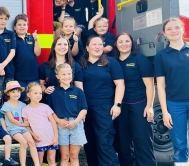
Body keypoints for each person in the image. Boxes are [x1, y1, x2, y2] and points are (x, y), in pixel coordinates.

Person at [112, 32, 156, 166]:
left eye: (127, 41)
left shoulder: (140, 59)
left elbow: (150, 85)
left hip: (140, 105)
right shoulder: (113, 61)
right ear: (116, 44)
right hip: (121, 107)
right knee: (124, 144)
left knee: (142, 142)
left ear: (132, 43)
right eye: (120, 41)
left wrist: (149, 106)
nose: (124, 44)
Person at [80, 36, 125, 166]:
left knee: (104, 142)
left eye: (100, 44)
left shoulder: (111, 62)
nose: (98, 47)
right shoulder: (81, 64)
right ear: (87, 48)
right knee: (90, 143)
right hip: (86, 109)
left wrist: (117, 104)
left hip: (105, 108)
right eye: (94, 44)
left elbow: (120, 85)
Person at [154, 18, 189, 164]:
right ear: (165, 34)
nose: (173, 31)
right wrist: (165, 111)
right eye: (169, 29)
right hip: (175, 105)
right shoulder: (161, 56)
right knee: (180, 145)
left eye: (176, 27)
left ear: (183, 29)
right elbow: (160, 86)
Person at [47, 63, 87, 166]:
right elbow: (49, 111)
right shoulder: (53, 92)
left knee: (74, 155)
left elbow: (84, 109)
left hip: (76, 124)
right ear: (57, 76)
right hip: (60, 125)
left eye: (69, 74)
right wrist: (59, 121)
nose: (67, 76)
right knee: (64, 156)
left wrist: (75, 121)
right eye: (63, 74)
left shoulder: (78, 91)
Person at [1, 81, 40, 166]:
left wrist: (26, 125)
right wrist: (23, 124)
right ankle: (23, 164)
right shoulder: (6, 105)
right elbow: (11, 120)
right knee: (23, 142)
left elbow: (25, 118)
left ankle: (37, 164)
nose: (16, 94)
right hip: (13, 128)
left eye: (18, 92)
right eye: (13, 92)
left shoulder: (22, 105)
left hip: (23, 128)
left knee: (31, 142)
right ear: (8, 93)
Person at [22, 83, 58, 166]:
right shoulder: (25, 109)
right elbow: (26, 125)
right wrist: (33, 134)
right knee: (39, 161)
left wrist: (55, 136)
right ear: (28, 94)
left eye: (40, 93)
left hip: (50, 138)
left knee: (51, 159)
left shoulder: (45, 107)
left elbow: (53, 122)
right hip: (38, 140)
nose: (38, 95)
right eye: (35, 93)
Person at [40, 37, 83, 103]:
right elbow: (41, 85)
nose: (62, 47)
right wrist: (45, 90)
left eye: (65, 45)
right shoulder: (45, 66)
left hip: (69, 104)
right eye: (59, 44)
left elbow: (79, 89)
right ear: (54, 47)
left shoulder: (75, 66)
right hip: (50, 103)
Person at [13, 14, 40, 101]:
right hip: (19, 76)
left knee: (34, 98)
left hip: (33, 75)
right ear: (14, 27)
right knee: (22, 98)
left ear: (27, 26)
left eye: (24, 25)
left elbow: (38, 53)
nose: (22, 27)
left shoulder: (32, 38)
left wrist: (36, 40)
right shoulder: (13, 39)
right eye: (19, 25)